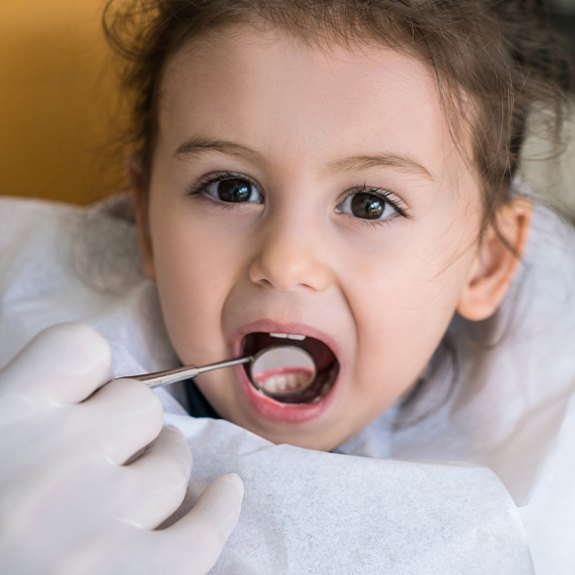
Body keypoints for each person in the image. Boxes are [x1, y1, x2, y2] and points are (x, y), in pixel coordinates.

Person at [1, 0, 573, 573]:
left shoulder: (545, 473)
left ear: (484, 264)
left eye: (369, 204)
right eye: (231, 189)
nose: (285, 259)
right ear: (147, 221)